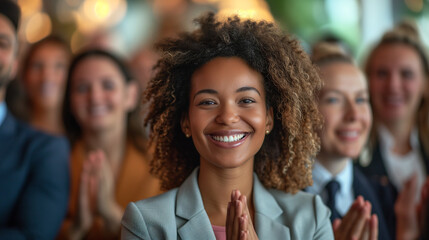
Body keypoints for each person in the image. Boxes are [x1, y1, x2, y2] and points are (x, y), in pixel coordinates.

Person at [121, 12, 333, 239]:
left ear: (269, 118)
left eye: (246, 101)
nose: (228, 116)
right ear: (185, 121)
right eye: (208, 102)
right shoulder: (146, 223)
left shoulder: (310, 217)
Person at [58, 49, 161, 240]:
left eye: (108, 85)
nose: (95, 97)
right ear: (70, 101)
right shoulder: (52, 160)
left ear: (130, 95)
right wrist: (77, 228)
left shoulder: (162, 161)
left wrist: (112, 213)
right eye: (82, 88)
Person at [0, 1, 70, 239]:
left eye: (2, 43)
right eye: (38, 66)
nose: (47, 76)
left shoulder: (46, 148)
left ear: (14, 66)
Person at [357, 20, 429, 239]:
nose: (393, 85)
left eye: (406, 74)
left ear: (425, 83)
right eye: (381, 73)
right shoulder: (349, 156)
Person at [307, 42, 387, 239]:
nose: (353, 115)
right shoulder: (272, 198)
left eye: (360, 100)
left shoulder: (385, 195)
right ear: (304, 111)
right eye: (334, 100)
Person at [18, 35, 71, 135]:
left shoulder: (85, 139)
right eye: (37, 66)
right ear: (24, 75)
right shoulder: (9, 134)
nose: (47, 77)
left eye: (59, 66)